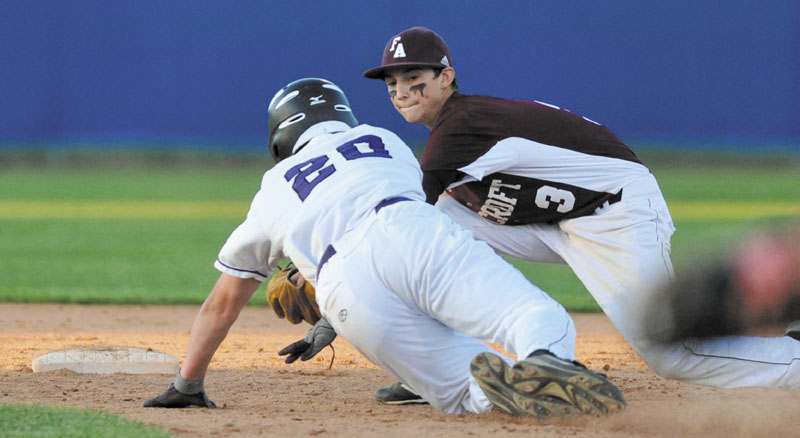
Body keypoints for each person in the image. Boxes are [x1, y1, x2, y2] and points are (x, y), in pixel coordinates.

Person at [142, 77, 627, 418]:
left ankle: (491, 386)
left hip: (343, 287)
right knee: (528, 314)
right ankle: (545, 358)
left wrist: (188, 385)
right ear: (341, 115)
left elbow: (222, 302)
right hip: (408, 225)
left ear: (282, 135)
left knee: (457, 393)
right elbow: (385, 235)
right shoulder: (382, 138)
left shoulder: (273, 188)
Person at [362, 26, 800, 402]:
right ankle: (440, 368)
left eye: (413, 77)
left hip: (617, 213)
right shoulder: (462, 125)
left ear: (446, 77)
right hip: (560, 222)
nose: (401, 91)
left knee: (670, 349)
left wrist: (336, 285)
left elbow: (405, 225)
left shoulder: (460, 126)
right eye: (392, 83)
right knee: (438, 224)